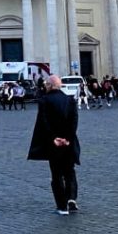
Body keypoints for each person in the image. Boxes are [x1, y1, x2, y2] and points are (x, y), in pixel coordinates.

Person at [27, 74, 80, 216]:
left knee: (56, 174)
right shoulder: (70, 100)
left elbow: (44, 122)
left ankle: (62, 207)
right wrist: (67, 138)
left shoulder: (45, 101)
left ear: (50, 86)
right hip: (69, 143)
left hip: (53, 144)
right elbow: (74, 122)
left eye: (46, 84)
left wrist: (54, 138)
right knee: (70, 172)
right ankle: (71, 199)